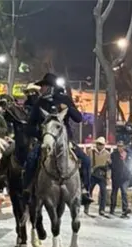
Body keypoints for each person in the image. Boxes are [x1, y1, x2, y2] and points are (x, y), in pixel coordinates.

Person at [24, 73, 92, 205]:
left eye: (43, 86)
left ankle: (84, 190)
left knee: (86, 161)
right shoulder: (39, 103)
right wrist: (42, 134)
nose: (41, 89)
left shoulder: (65, 100)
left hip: (64, 141)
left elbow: (78, 118)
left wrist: (69, 108)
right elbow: (29, 127)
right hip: (45, 140)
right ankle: (28, 188)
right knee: (31, 159)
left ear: (50, 87)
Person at [88, 137, 111, 216]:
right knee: (89, 192)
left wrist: (108, 177)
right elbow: (89, 164)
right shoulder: (91, 152)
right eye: (98, 144)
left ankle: (102, 209)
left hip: (102, 176)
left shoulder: (107, 154)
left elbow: (108, 167)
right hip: (93, 175)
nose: (99, 146)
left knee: (103, 193)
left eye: (101, 144)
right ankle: (86, 207)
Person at [109, 140, 131, 218]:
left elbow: (131, 165)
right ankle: (112, 209)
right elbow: (111, 166)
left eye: (121, 146)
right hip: (116, 177)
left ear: (124, 146)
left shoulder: (128, 155)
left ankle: (125, 209)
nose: (120, 148)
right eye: (118, 146)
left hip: (125, 177)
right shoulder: (113, 155)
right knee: (114, 193)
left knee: (124, 192)